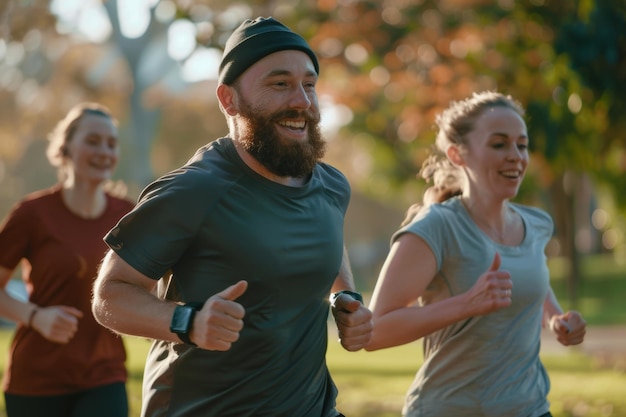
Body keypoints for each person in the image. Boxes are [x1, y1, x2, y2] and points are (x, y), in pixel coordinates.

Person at [91, 16, 373, 417]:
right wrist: (188, 321)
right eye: (280, 84)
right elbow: (109, 296)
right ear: (229, 99)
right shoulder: (193, 191)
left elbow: (328, 236)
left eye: (308, 84)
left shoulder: (330, 186)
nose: (302, 102)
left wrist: (345, 296)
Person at [366, 91, 586, 417]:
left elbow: (528, 281)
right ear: (458, 155)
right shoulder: (436, 227)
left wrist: (556, 319)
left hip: (532, 409)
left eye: (521, 145)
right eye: (499, 144)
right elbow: (374, 330)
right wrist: (465, 304)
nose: (515, 156)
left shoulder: (536, 224)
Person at [0, 102, 133, 417]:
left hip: (105, 372)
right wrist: (36, 317)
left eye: (111, 143)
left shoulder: (128, 216)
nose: (104, 151)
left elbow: (151, 286)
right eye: (92, 141)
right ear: (66, 148)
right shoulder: (32, 214)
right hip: (37, 380)